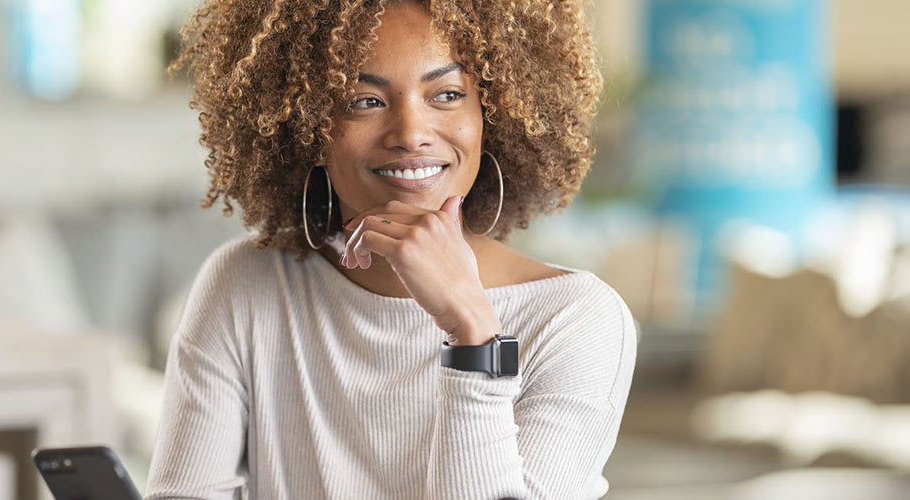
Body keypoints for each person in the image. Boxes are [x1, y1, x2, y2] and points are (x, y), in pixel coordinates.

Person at [148, 0, 635, 498]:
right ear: (308, 128)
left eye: (446, 94)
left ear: (492, 115)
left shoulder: (576, 319)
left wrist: (472, 330)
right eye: (365, 101)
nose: (410, 134)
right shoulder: (244, 286)